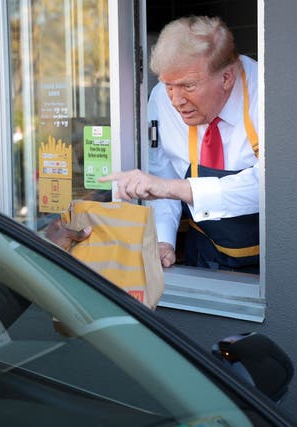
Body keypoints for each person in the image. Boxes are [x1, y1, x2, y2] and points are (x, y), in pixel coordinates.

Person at [99, 15, 259, 273]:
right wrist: (164, 240)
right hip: (203, 253)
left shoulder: (265, 94)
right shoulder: (162, 98)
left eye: (188, 86)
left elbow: (269, 186)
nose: (176, 100)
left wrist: (171, 187)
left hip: (268, 264)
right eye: (168, 85)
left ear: (227, 78)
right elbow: (163, 174)